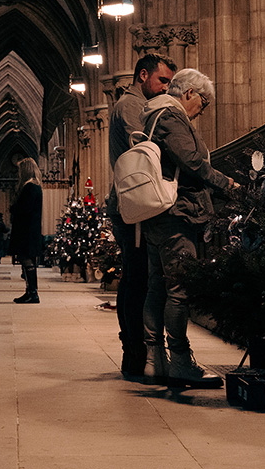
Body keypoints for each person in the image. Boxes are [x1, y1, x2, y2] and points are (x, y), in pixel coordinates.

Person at [140, 68, 240, 386]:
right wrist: (229, 185)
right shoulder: (171, 115)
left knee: (158, 287)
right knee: (178, 292)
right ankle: (179, 361)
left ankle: (155, 360)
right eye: (204, 102)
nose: (203, 110)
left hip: (161, 214)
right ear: (189, 94)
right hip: (176, 214)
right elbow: (193, 162)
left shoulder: (156, 113)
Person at [106, 52, 177, 378]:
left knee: (138, 279)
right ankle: (133, 354)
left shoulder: (139, 103)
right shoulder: (131, 105)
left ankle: (137, 353)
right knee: (136, 281)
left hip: (134, 204)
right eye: (162, 80)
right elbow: (148, 146)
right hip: (132, 205)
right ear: (143, 74)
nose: (167, 88)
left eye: (171, 83)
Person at [9, 157, 44, 304]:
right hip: (30, 230)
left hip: (26, 231)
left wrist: (13, 208)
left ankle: (33, 293)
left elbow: (24, 209)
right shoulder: (35, 187)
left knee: (27, 260)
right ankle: (29, 291)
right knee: (27, 261)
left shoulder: (29, 187)